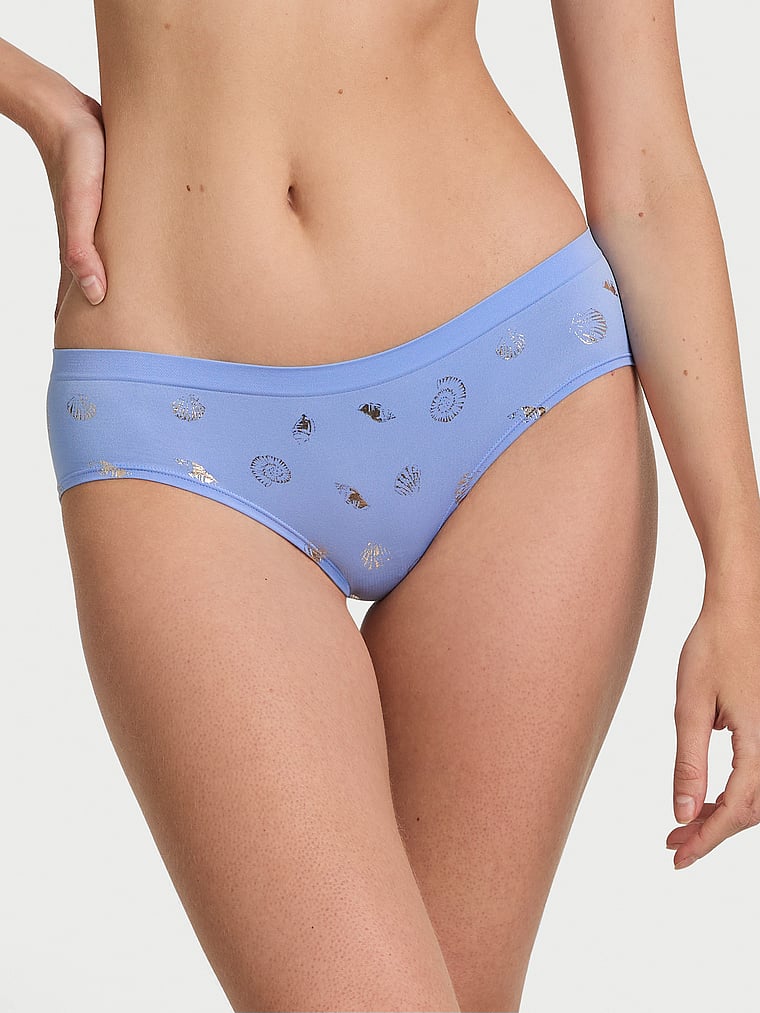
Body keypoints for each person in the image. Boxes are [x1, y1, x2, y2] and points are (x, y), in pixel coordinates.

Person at [2, 2, 759, 1010]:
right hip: (180, 428)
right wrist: (42, 103)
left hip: (519, 392)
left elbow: (646, 160)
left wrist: (738, 570)